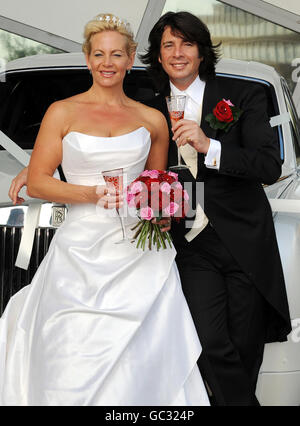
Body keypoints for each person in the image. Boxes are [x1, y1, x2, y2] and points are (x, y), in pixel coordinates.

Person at [0, 13, 210, 406]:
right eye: (99, 54)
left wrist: (161, 208)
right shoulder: (61, 112)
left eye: (117, 54)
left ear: (131, 59)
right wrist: (92, 193)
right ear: (87, 58)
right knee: (72, 344)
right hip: (80, 247)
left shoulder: (152, 120)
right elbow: (41, 181)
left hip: (138, 251)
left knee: (145, 350)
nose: (107, 63)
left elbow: (155, 184)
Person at [139, 11, 291, 406]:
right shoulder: (146, 107)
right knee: (207, 340)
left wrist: (211, 146)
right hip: (188, 242)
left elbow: (268, 166)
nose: (177, 53)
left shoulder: (241, 96)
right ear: (157, 55)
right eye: (168, 45)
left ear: (202, 51)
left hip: (243, 239)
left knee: (245, 343)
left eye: (186, 43)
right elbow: (115, 154)